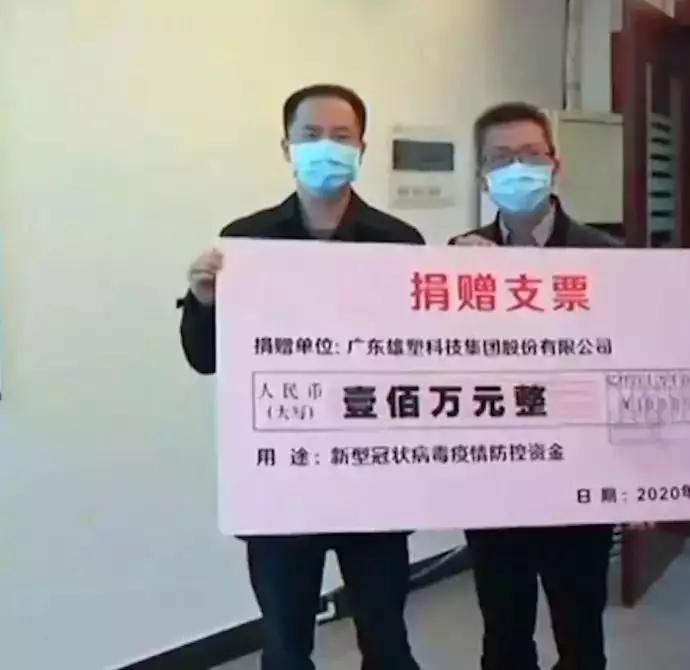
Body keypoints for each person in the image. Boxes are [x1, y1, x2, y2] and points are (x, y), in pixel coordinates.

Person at [178, 83, 424, 670]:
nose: (326, 148)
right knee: (287, 646)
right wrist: (203, 302)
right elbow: (205, 358)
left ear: (362, 148)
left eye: (341, 136)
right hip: (281, 480)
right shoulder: (246, 240)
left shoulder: (399, 242)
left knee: (387, 639)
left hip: (373, 473)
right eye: (311, 136)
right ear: (286, 147)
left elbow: (425, 356)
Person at [450, 102, 620, 670]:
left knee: (581, 632)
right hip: (494, 479)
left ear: (555, 164)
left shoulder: (608, 257)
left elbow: (627, 363)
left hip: (579, 478)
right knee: (503, 633)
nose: (516, 168)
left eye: (529, 154)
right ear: (482, 175)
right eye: (500, 158)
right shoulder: (456, 259)